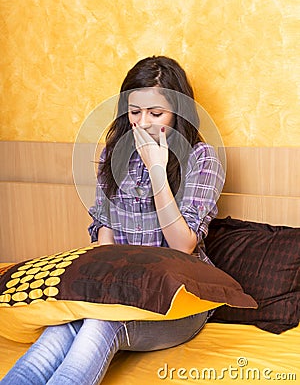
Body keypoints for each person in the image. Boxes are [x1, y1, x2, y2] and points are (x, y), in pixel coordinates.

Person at [1, 56, 225, 384]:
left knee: (99, 323)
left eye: (156, 113)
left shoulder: (202, 159)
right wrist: (103, 293)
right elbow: (104, 234)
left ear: (179, 112)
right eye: (135, 113)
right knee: (61, 327)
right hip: (117, 285)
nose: (144, 123)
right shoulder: (113, 155)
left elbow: (183, 244)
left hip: (179, 298)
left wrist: (157, 170)